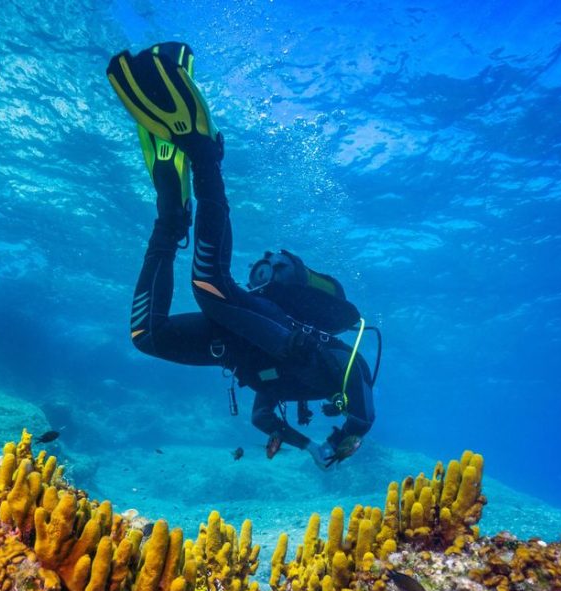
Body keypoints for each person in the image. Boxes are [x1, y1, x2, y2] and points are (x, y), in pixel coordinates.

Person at [106, 42, 376, 471]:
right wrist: (348, 435)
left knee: (147, 337)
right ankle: (203, 154)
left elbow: (261, 416)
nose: (332, 407)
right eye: (335, 408)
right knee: (210, 287)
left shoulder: (294, 391)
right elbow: (363, 407)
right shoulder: (346, 364)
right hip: (276, 329)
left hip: (231, 346)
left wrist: (309, 446)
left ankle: (170, 220)